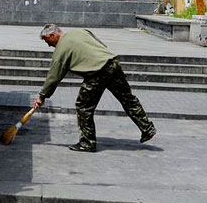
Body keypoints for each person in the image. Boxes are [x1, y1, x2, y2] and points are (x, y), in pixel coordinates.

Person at [32, 24, 156, 152]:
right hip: (112, 63)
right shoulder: (80, 31)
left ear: (53, 35)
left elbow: (54, 77)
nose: (49, 45)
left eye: (48, 41)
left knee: (83, 106)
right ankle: (147, 128)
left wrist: (42, 96)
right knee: (128, 99)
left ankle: (87, 143)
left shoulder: (61, 50)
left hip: (97, 73)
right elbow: (100, 45)